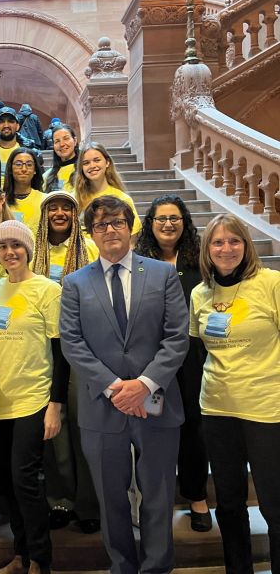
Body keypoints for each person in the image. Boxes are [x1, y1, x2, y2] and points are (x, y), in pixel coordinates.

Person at [59, 195, 189, 574]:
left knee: (159, 495)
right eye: (101, 225)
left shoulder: (162, 274)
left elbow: (177, 336)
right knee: (110, 499)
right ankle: (122, 566)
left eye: (117, 222)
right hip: (103, 406)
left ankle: (156, 567)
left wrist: (145, 384)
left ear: (130, 227)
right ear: (91, 234)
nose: (110, 230)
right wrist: (117, 386)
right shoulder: (74, 283)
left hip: (157, 402)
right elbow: (72, 342)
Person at [190, 214, 280, 573]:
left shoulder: (271, 283)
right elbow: (199, 352)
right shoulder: (201, 293)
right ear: (207, 250)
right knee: (228, 503)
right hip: (217, 408)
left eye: (234, 241)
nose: (226, 249)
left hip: (265, 408)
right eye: (217, 242)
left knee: (274, 505)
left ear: (246, 245)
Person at [0, 219, 65, 574]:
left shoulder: (48, 290)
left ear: (28, 250)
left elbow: (61, 351)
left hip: (33, 399)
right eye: (3, 247)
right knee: (5, 482)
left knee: (24, 480)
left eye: (16, 246)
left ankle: (40, 560)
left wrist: (55, 405)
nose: (9, 252)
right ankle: (20, 554)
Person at [135, 194, 211, 532]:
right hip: (152, 361)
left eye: (174, 218)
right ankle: (157, 498)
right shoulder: (137, 261)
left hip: (192, 358)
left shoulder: (200, 261)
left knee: (193, 426)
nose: (168, 224)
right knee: (155, 427)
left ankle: (196, 495)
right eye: (161, 218)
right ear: (150, 224)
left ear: (184, 223)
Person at [32, 191, 100, 532]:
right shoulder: (33, 253)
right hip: (44, 349)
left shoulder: (91, 249)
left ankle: (89, 502)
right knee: (53, 428)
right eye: (53, 208)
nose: (59, 213)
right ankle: (61, 499)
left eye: (66, 208)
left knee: (82, 424)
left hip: (83, 349)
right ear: (44, 215)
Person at [75, 142, 141, 240]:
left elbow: (132, 238)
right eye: (86, 163)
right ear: (81, 168)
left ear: (107, 162)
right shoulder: (76, 199)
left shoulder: (122, 198)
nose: (92, 165)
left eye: (97, 160)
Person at [0, 107, 41, 184]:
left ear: (18, 126)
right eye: (1, 122)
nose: (6, 125)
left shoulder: (33, 153)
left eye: (11, 121)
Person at [3, 148, 45, 236]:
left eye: (29, 164)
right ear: (10, 169)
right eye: (18, 164)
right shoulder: (1, 201)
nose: (24, 169)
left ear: (35, 170)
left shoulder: (44, 200)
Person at [43, 124, 79, 193]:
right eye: (57, 141)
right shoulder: (46, 176)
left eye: (66, 138)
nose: (62, 144)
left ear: (75, 141)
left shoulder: (85, 169)